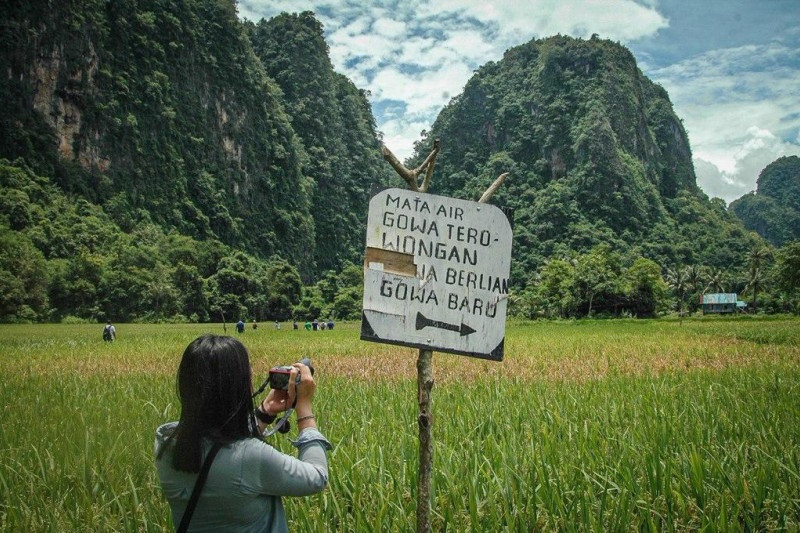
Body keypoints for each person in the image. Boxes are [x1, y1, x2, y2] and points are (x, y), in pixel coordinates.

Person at [155, 335, 331, 532]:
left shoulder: (166, 442)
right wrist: (304, 406)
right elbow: (317, 477)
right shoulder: (250, 457)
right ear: (238, 386)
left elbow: (218, 439)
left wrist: (265, 412)